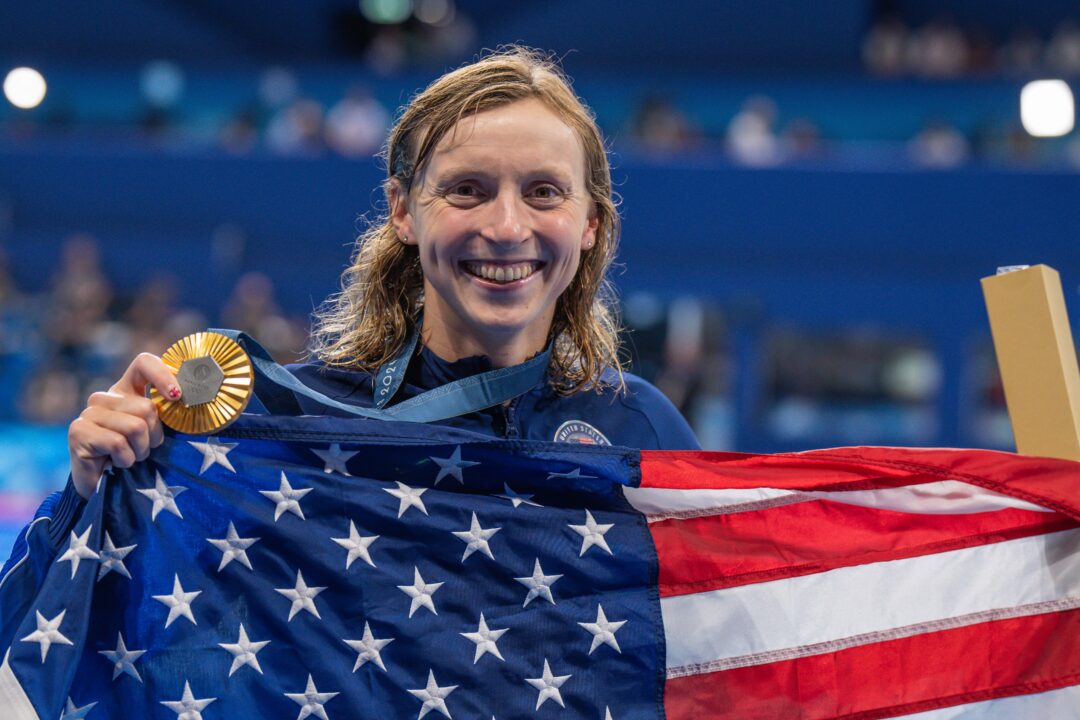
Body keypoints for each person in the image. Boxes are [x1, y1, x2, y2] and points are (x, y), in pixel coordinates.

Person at [3, 47, 699, 584]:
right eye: (467, 190)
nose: (508, 226)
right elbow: (70, 628)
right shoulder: (291, 428)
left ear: (589, 223)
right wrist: (92, 492)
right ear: (403, 211)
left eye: (544, 192)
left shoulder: (641, 430)